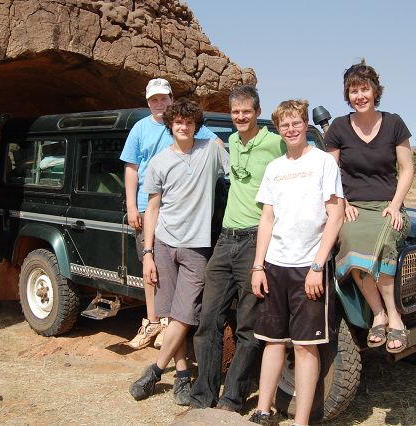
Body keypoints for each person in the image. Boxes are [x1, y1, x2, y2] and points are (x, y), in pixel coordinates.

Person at [189, 85, 286, 412]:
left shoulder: (274, 143)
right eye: (235, 112)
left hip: (254, 240)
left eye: (246, 111)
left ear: (257, 111)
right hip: (225, 239)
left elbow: (299, 168)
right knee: (208, 320)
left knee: (247, 326)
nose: (240, 117)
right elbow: (191, 128)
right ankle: (204, 394)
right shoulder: (231, 140)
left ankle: (233, 398)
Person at [248, 100, 344, 426]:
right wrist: (258, 266)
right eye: (285, 125)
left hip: (308, 267)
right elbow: (267, 218)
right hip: (275, 264)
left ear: (305, 125)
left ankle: (301, 421)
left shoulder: (323, 163)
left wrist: (318, 266)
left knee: (305, 347)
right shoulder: (275, 168)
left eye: (296, 123)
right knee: (272, 340)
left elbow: (335, 215)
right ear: (279, 129)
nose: (291, 129)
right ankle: (263, 409)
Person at [129, 98, 230, 406]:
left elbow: (238, 171)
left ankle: (155, 371)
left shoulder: (210, 150)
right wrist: (147, 252)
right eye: (178, 122)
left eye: (189, 122)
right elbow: (153, 208)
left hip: (197, 246)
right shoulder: (159, 162)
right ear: (170, 126)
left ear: (196, 125)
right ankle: (183, 375)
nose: (183, 126)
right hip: (163, 243)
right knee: (173, 315)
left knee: (185, 314)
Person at [120, 78, 220, 350]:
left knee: (173, 266)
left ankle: (169, 324)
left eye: (163, 98)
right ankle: (152, 320)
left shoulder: (183, 123)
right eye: (154, 99)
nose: (158, 103)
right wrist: (131, 206)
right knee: (150, 263)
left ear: (171, 99)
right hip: (147, 203)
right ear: (148, 101)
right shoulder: (141, 128)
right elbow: (131, 168)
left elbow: (218, 146)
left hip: (180, 205)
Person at [324, 59, 414, 353]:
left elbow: (407, 168)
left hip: (389, 205)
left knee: (386, 240)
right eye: (353, 90)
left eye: (364, 89)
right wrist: (344, 202)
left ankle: (395, 317)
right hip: (353, 208)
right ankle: (379, 314)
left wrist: (396, 205)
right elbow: (330, 172)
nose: (359, 96)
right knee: (349, 241)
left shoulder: (394, 123)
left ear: (375, 91)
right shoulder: (338, 127)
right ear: (347, 95)